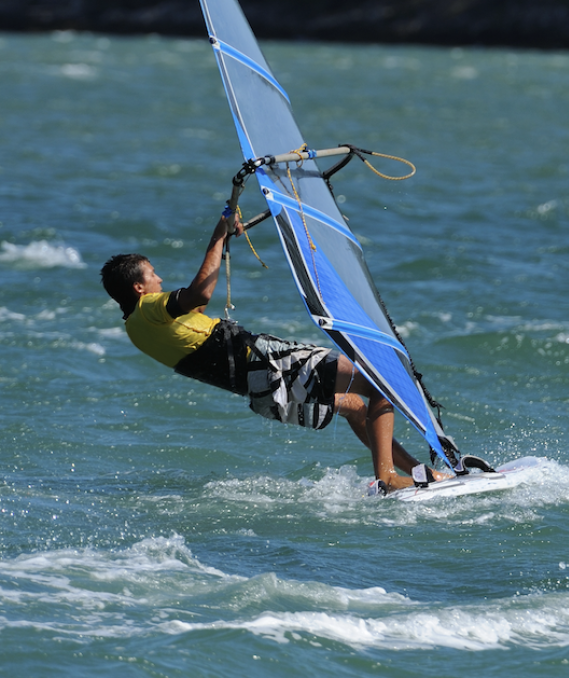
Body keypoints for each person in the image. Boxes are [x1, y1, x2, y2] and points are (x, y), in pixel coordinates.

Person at [101, 209, 436, 493]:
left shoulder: (137, 329)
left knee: (353, 406)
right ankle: (389, 478)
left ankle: (421, 473)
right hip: (270, 363)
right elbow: (198, 296)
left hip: (264, 395)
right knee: (381, 383)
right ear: (139, 287)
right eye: (153, 274)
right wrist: (218, 237)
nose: (159, 279)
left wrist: (223, 236)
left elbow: (195, 315)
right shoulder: (149, 306)